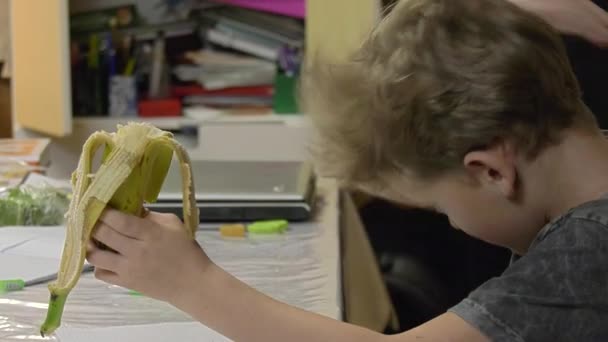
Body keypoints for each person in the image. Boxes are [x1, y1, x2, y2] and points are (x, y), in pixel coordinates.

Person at [86, 0, 608, 340]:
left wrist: (192, 283)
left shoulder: (586, 253)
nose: (450, 221)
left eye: (440, 207)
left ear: (491, 171)